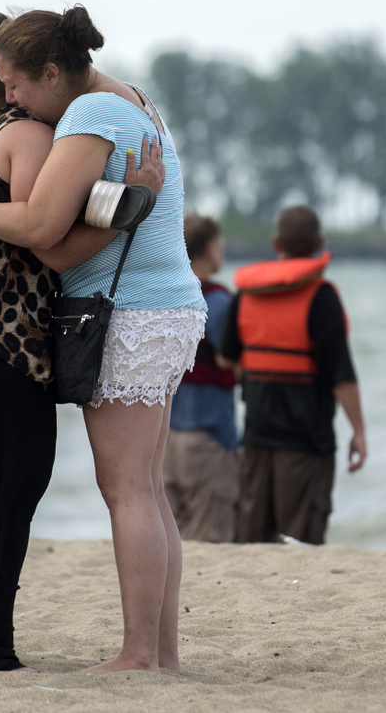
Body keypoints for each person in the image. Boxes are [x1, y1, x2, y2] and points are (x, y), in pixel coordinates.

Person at [0, 7, 206, 673]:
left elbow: (41, 230)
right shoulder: (132, 101)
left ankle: (139, 653)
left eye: (18, 85)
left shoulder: (88, 116)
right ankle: (161, 654)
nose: (11, 101)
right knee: (148, 488)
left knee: (128, 492)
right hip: (164, 307)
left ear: (53, 71)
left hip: (128, 313)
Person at [218, 205, 367, 545]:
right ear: (320, 243)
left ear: (276, 244)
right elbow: (341, 376)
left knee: (253, 540)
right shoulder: (322, 298)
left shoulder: (246, 295)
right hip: (306, 444)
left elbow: (227, 360)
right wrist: (359, 431)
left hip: (256, 439)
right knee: (301, 541)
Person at [163, 214, 240, 542]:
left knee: (172, 531)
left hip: (165, 436)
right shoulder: (219, 301)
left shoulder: (165, 296)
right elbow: (228, 360)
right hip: (208, 434)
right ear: (211, 249)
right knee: (212, 534)